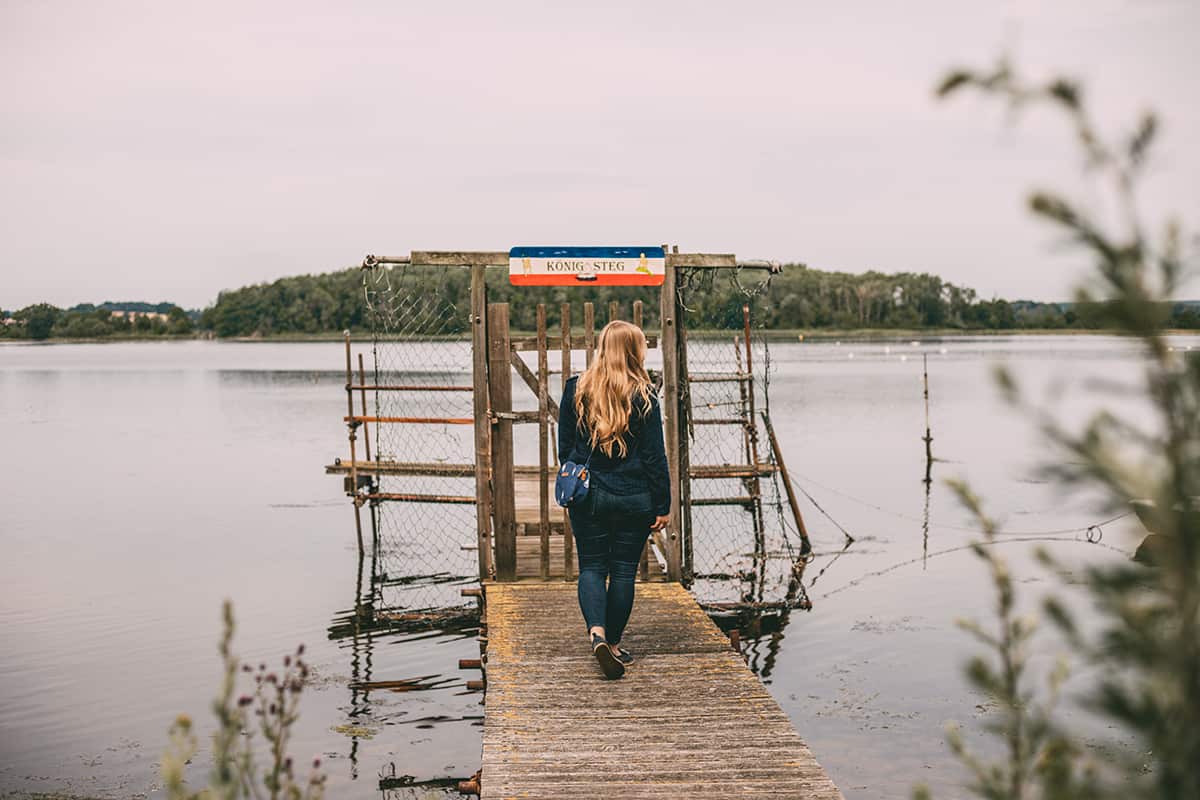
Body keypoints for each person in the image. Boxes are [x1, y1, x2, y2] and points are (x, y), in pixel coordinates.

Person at [558, 319, 672, 680]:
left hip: (587, 495)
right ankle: (617, 645)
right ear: (633, 351)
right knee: (623, 571)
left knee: (592, 567)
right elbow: (655, 456)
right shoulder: (644, 395)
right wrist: (662, 504)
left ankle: (597, 634)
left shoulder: (576, 388)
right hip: (634, 497)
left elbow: (566, 449)